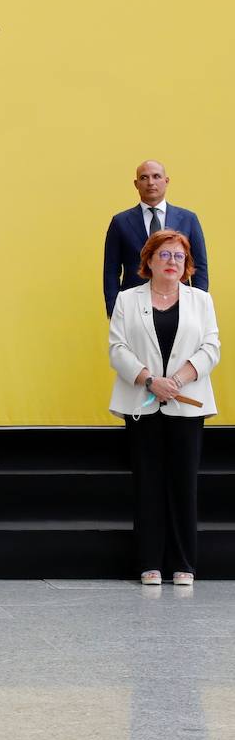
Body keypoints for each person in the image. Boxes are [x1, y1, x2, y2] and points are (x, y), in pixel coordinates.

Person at [108, 229, 219, 586]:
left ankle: (184, 563)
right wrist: (150, 381)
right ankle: (149, 562)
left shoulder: (200, 300)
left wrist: (178, 381)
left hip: (187, 405)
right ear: (149, 260)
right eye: (165, 255)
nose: (172, 262)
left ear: (187, 265)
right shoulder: (127, 299)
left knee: (184, 483)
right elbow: (118, 349)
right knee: (148, 483)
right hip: (143, 401)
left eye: (179, 257)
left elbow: (210, 347)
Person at [103, 159, 208, 317]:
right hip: (134, 307)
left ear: (166, 181)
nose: (151, 182)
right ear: (136, 184)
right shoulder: (120, 222)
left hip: (180, 305)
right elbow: (111, 271)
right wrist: (114, 311)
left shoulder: (188, 219)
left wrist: (198, 306)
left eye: (156, 176)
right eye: (144, 177)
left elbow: (199, 265)